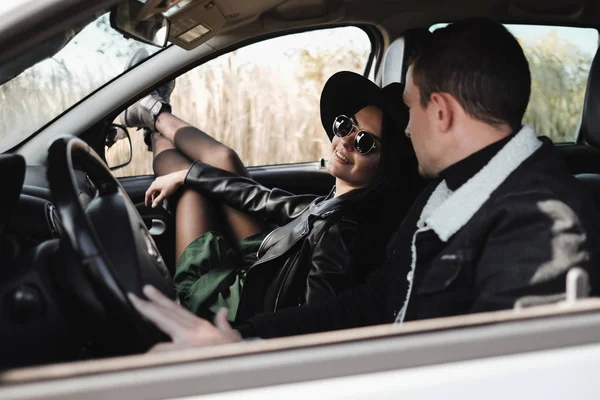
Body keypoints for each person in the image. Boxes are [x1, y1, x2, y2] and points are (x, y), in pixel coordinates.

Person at [128, 18, 600, 350]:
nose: (408, 131)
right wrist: (248, 340)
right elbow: (375, 302)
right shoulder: (446, 194)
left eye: (411, 111)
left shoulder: (543, 229)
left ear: (442, 112)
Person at [120, 70, 421, 323]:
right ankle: (154, 115)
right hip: (267, 264)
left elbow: (312, 320)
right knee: (220, 161)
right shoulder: (338, 201)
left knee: (190, 187)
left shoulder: (341, 234)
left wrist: (243, 336)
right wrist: (187, 174)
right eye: (346, 125)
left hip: (233, 306)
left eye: (365, 142)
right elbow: (268, 201)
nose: (345, 142)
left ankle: (154, 124)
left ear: (385, 167)